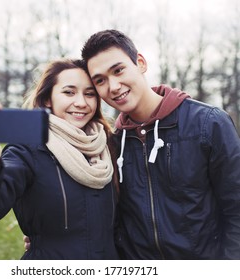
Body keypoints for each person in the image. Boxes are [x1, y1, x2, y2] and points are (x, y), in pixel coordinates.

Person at [80, 29, 240, 259]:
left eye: (118, 70)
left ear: (141, 63)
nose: (113, 86)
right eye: (100, 80)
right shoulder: (112, 143)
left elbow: (236, 210)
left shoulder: (208, 123)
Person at [0, 59, 119, 260]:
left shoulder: (109, 145)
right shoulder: (26, 150)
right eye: (69, 92)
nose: (81, 102)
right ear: (48, 99)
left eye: (90, 94)